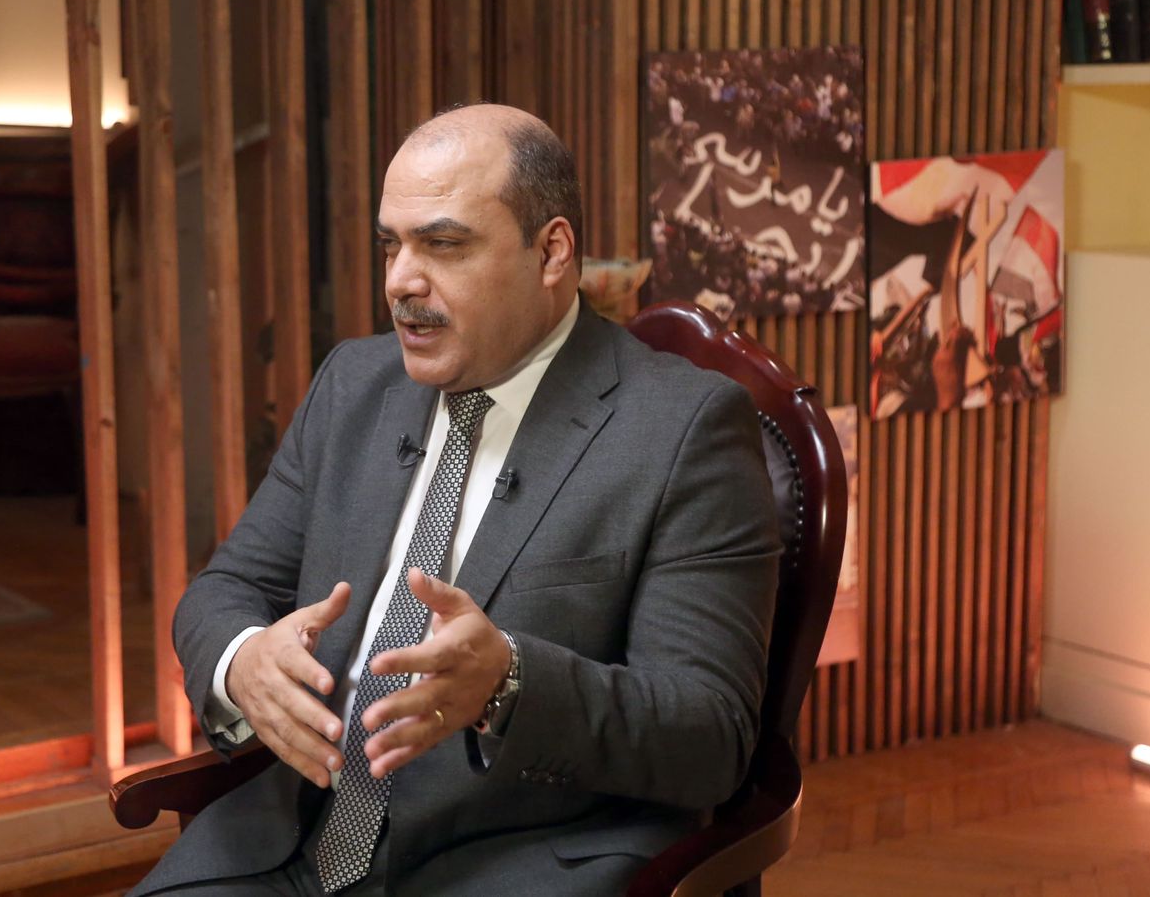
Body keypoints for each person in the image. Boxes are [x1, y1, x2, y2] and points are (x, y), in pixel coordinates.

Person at [131, 104, 780, 896]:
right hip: (286, 845)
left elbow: (709, 734)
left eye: (443, 244)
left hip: (508, 862)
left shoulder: (683, 430)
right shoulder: (353, 385)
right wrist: (243, 662)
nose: (401, 281)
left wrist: (509, 682)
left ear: (551, 252)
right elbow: (225, 588)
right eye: (391, 245)